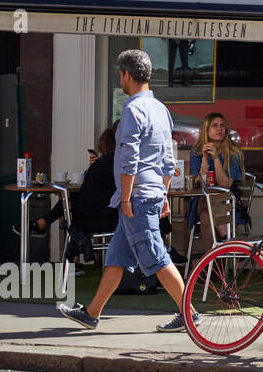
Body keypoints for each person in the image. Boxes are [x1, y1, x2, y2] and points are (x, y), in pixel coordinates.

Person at [58, 50, 195, 333]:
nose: (120, 78)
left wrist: (124, 197)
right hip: (152, 192)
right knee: (117, 258)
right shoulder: (160, 108)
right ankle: (91, 313)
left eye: (120, 74)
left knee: (157, 257)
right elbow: (169, 160)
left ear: (126, 75)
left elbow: (129, 159)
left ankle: (189, 313)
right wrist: (164, 195)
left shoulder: (133, 110)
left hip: (136, 196)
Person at [35, 126, 119, 272]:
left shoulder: (103, 164)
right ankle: (72, 258)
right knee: (72, 202)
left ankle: (43, 224)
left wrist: (95, 167)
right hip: (109, 217)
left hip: (91, 219)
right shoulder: (117, 164)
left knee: (72, 202)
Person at [187, 112, 245, 241]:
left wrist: (216, 158)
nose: (219, 128)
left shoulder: (233, 153)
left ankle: (211, 258)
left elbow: (225, 185)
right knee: (207, 199)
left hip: (228, 202)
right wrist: (205, 159)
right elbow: (201, 184)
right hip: (201, 200)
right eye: (215, 125)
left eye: (222, 126)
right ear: (206, 130)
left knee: (206, 217)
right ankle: (227, 241)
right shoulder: (196, 152)